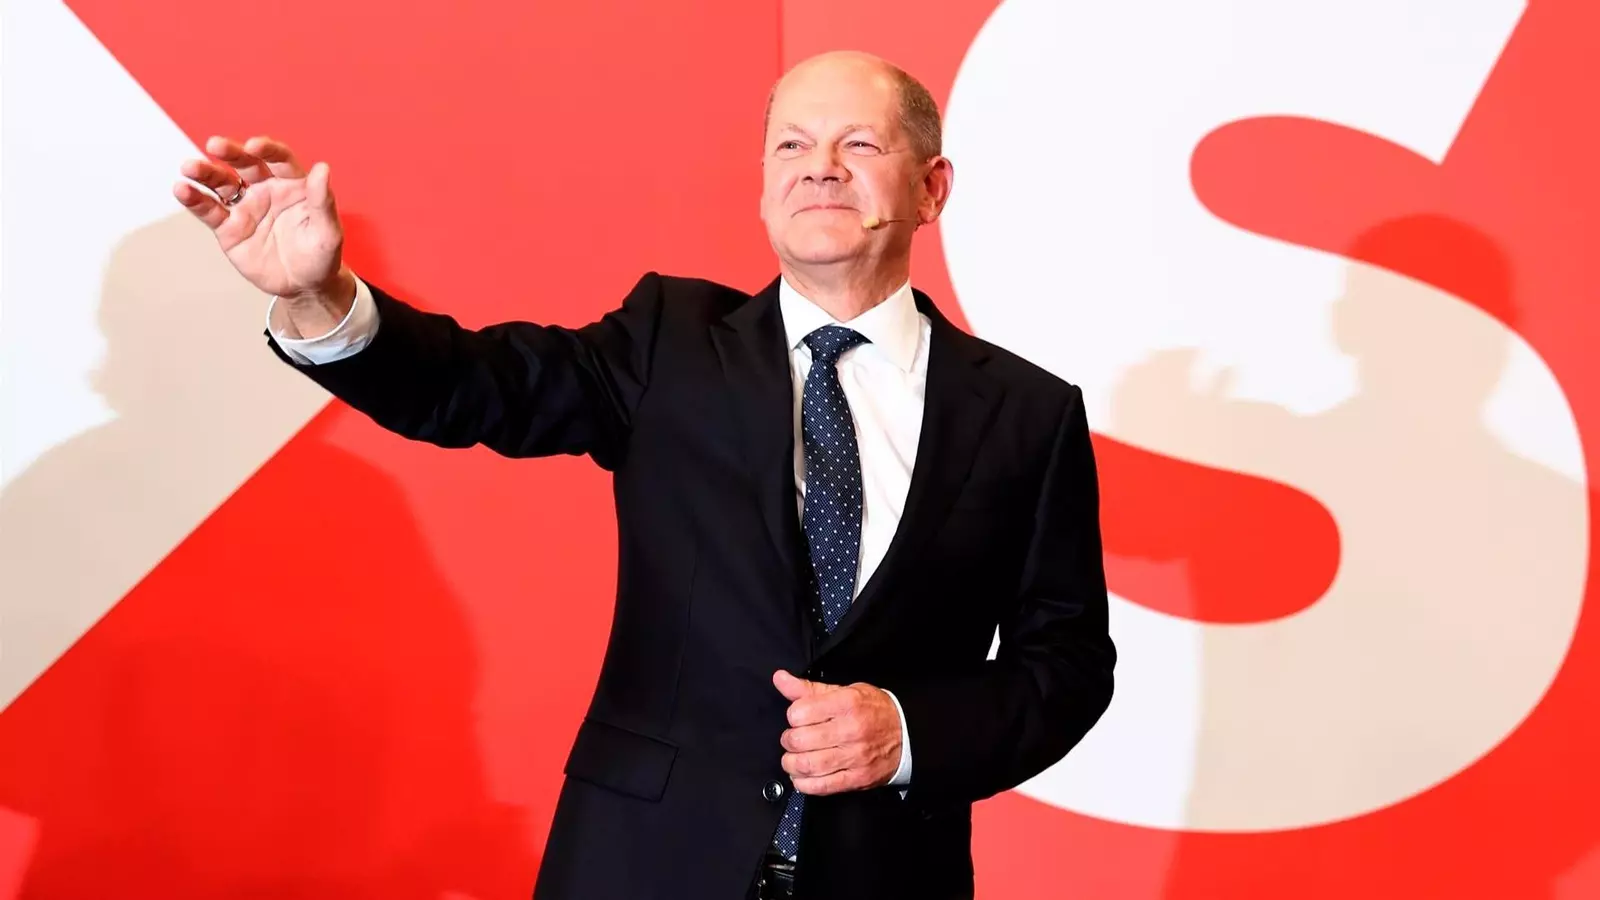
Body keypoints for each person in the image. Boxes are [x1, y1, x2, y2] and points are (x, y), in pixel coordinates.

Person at [174, 49, 1115, 900]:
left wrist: (907, 732)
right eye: (791, 144)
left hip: (887, 875)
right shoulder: (671, 341)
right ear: (764, 186)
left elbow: (1067, 668)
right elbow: (476, 387)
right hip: (645, 864)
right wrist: (321, 297)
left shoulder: (1027, 414)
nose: (819, 166)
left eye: (859, 143)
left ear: (932, 187)